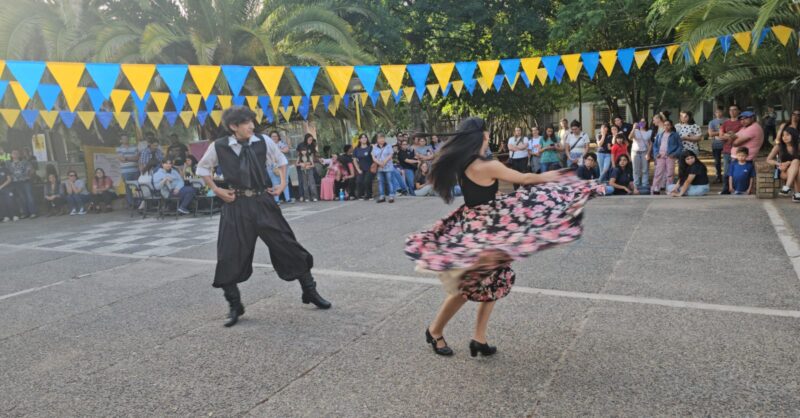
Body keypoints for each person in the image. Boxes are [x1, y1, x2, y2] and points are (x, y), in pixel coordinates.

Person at [404, 117, 600, 357]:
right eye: (486, 134)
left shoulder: (463, 162)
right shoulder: (487, 165)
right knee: (471, 284)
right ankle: (435, 331)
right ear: (481, 136)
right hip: (484, 229)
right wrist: (559, 176)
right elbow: (526, 179)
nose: (488, 137)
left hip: (476, 222)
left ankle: (479, 338)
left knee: (495, 279)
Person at [196, 106, 331, 327]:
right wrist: (218, 190)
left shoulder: (263, 141)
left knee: (288, 245)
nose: (252, 125)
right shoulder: (219, 146)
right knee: (229, 254)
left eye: (252, 121)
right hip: (236, 205)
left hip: (263, 202)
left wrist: (283, 183)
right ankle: (234, 304)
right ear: (233, 126)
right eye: (247, 122)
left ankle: (310, 291)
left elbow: (282, 161)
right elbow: (203, 170)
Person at [766, 126, 800, 200]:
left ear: (793, 135)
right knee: (796, 163)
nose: (784, 137)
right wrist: (779, 164)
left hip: (796, 170)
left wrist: (789, 162)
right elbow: (768, 159)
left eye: (787, 135)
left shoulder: (798, 146)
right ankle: (797, 194)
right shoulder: (779, 146)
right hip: (784, 172)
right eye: (783, 135)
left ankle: (787, 189)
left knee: (796, 163)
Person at [651, 119, 683, 195]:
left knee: (670, 173)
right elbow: (655, 146)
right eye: (665, 125)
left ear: (671, 126)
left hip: (670, 156)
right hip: (660, 156)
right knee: (658, 173)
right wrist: (656, 154)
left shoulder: (675, 135)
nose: (666, 126)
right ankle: (656, 188)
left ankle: (669, 188)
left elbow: (680, 146)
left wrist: (675, 154)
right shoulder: (659, 135)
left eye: (668, 125)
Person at [718, 104, 742, 194]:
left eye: (734, 110)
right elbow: (720, 136)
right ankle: (725, 189)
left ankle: (737, 189)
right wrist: (730, 136)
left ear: (739, 111)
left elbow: (741, 135)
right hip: (726, 150)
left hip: (738, 151)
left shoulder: (741, 123)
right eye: (730, 110)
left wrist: (728, 135)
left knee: (736, 172)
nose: (732, 112)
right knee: (726, 172)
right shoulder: (726, 123)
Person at [9, 150, 37, 218]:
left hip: (26, 182)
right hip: (17, 183)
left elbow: (31, 170)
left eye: (16, 153)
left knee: (29, 197)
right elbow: (10, 174)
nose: (15, 155)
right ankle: (25, 213)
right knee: (22, 198)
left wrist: (28, 176)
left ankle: (33, 212)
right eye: (13, 153)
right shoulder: (10, 164)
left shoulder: (25, 162)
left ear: (19, 155)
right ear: (11, 155)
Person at [267, 131, 293, 204]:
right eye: (272, 136)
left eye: (276, 136)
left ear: (278, 137)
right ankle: (276, 200)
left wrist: (277, 150)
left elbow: (286, 149)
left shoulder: (281, 143)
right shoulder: (268, 144)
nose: (274, 137)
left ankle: (288, 198)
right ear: (270, 137)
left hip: (283, 165)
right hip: (271, 166)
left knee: (285, 181)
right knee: (274, 183)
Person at [116, 133, 140, 207]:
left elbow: (137, 158)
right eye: (124, 138)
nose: (126, 140)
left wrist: (126, 158)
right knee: (128, 188)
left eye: (127, 138)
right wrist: (131, 158)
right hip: (125, 172)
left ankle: (139, 203)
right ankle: (131, 204)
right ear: (121, 140)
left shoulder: (134, 147)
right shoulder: (118, 149)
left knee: (138, 187)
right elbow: (121, 159)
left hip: (135, 170)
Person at [371, 133, 395, 203]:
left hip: (388, 166)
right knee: (380, 182)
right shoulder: (375, 147)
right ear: (377, 140)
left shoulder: (388, 146)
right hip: (379, 167)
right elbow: (373, 157)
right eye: (379, 138)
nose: (381, 139)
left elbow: (391, 155)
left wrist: (384, 162)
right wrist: (379, 163)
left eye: (383, 138)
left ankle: (391, 196)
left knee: (389, 181)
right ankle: (382, 196)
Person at [629, 118, 651, 190]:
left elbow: (650, 144)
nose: (642, 123)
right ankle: (636, 185)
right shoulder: (635, 131)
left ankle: (645, 184)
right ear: (638, 123)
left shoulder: (649, 132)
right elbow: (630, 137)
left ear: (646, 123)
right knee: (635, 169)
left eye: (644, 122)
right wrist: (633, 128)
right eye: (641, 122)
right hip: (635, 152)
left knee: (645, 169)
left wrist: (648, 153)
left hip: (644, 152)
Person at [707, 107, 726, 183]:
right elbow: (711, 134)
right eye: (717, 112)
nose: (718, 113)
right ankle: (718, 176)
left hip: (727, 144)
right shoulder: (712, 122)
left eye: (720, 112)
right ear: (715, 113)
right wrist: (722, 132)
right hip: (716, 144)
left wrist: (717, 132)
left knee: (727, 161)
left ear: (723, 112)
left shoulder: (727, 120)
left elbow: (731, 131)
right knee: (717, 161)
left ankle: (727, 176)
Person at [353, 134, 373, 200]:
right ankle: (361, 195)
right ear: (359, 140)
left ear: (367, 139)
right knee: (359, 181)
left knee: (367, 181)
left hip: (370, 168)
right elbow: (354, 160)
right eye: (362, 138)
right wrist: (358, 169)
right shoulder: (356, 149)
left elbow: (374, 157)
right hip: (361, 168)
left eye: (365, 137)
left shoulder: (370, 147)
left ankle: (369, 195)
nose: (364, 139)